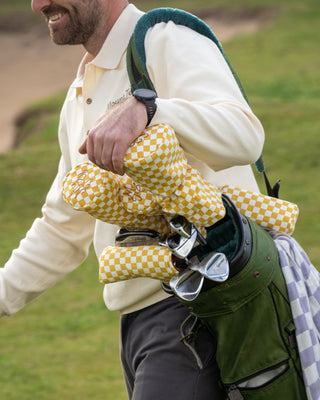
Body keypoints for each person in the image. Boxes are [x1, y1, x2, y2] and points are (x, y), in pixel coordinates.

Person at [0, 1, 264, 399]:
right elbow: (63, 226)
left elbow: (244, 135)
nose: (38, 4)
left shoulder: (165, 38)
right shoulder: (79, 96)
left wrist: (148, 109)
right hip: (140, 326)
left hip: (197, 307)